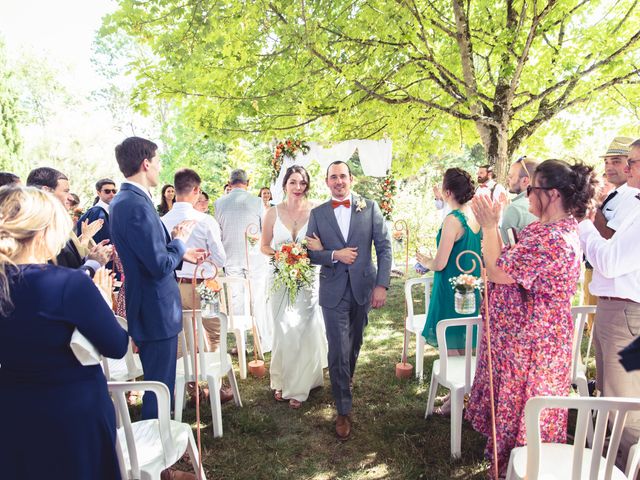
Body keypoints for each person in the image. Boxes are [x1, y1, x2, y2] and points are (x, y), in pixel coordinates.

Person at [465, 159, 597, 475]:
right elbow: (507, 263)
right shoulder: (544, 228)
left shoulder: (553, 237)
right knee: (514, 412)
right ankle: (508, 466)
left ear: (552, 194)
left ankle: (519, 469)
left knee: (523, 413)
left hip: (533, 347)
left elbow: (498, 270)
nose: (527, 197)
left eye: (532, 190)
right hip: (525, 340)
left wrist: (488, 226)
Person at [0, 186, 128, 480]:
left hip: (11, 407)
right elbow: (116, 345)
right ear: (45, 231)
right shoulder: (69, 284)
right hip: (70, 411)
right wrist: (106, 305)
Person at [110, 137, 205, 421]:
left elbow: (148, 255)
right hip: (155, 309)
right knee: (160, 387)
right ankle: (161, 457)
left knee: (159, 383)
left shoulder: (127, 200)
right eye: (158, 160)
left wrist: (181, 253)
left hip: (150, 306)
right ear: (146, 163)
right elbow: (158, 265)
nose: (160, 167)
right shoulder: (135, 204)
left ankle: (162, 448)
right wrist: (180, 241)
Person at [306, 160, 392, 439]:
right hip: (332, 290)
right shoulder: (318, 213)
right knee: (338, 348)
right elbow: (309, 254)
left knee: (355, 342)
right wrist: (334, 254)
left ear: (351, 179)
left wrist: (382, 285)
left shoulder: (370, 208)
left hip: (363, 288)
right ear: (326, 182)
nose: (339, 181)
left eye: (343, 176)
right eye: (333, 177)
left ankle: (345, 377)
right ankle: (343, 408)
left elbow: (384, 247)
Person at [579, 138, 640, 465]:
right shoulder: (630, 199)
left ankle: (625, 467)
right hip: (614, 308)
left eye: (634, 162)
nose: (627, 167)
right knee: (609, 392)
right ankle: (609, 457)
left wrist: (585, 226)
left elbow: (611, 261)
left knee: (626, 403)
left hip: (629, 312)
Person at [261, 166, 327, 409]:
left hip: (308, 277)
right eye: (293, 182)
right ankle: (281, 378)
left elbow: (323, 245)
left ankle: (298, 388)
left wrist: (314, 249)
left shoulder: (318, 212)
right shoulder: (271, 213)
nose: (298, 187)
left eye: (302, 183)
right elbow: (264, 246)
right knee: (282, 328)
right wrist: (282, 255)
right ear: (284, 184)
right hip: (280, 276)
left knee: (303, 327)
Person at [419, 168, 481, 354]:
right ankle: (468, 382)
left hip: (451, 287)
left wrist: (425, 261)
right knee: (466, 342)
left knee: (451, 345)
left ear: (447, 192)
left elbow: (440, 263)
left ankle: (454, 382)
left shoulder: (453, 220)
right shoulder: (475, 215)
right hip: (471, 284)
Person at [26, 167, 111, 277]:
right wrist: (93, 264)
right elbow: (56, 278)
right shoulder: (39, 228)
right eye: (66, 191)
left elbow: (68, 260)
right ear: (46, 191)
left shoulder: (55, 223)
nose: (70, 197)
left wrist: (92, 255)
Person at [500, 157, 539, 244]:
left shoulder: (514, 208)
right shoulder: (544, 204)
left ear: (525, 180)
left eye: (511, 176)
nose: (508, 180)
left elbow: (504, 247)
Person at [75, 178, 117, 245]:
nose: (112, 194)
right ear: (98, 193)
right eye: (107, 191)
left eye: (114, 191)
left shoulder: (110, 211)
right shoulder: (96, 212)